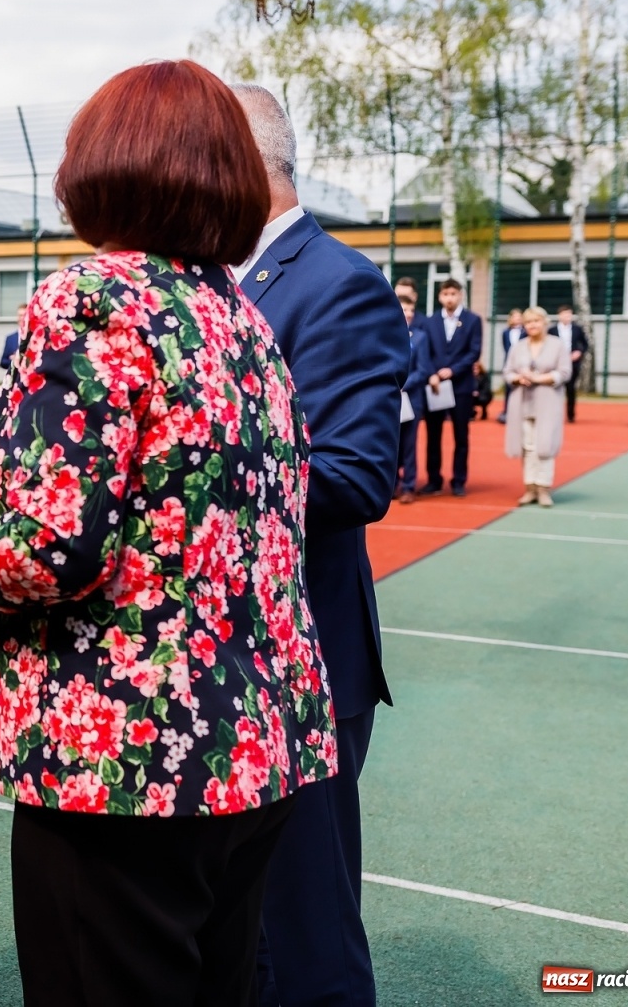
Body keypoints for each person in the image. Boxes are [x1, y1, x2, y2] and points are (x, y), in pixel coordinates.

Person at [0, 65, 336, 1006]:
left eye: (76, 149)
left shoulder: (92, 300)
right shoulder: (239, 319)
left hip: (120, 758)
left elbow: (53, 549)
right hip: (257, 740)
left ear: (110, 167)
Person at [231, 83, 407, 1007]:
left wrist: (182, 486)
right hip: (229, 669)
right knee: (246, 933)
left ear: (243, 162)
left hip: (302, 665)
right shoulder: (221, 282)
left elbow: (353, 477)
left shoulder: (336, 282)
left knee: (307, 939)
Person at [418, 278, 482, 497]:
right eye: (445, 294)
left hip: (461, 386)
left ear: (460, 295)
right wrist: (432, 374)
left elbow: (474, 352)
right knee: (433, 435)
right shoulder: (430, 321)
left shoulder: (473, 320)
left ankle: (459, 480)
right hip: (435, 386)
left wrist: (452, 370)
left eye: (453, 294)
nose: (449, 298)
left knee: (461, 436)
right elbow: (423, 353)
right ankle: (434, 479)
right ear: (439, 297)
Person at [503, 307, 571, 508]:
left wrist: (540, 378)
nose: (532, 325)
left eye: (536, 321)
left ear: (545, 322)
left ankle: (544, 488)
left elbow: (565, 373)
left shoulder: (558, 345)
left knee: (544, 445)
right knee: (527, 447)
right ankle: (530, 487)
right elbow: (507, 372)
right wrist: (518, 378)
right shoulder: (518, 347)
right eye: (528, 322)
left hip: (547, 402)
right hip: (522, 403)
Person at [395, 285, 433, 505]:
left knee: (409, 445)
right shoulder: (387, 334)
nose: (408, 313)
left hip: (412, 398)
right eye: (403, 309)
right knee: (393, 444)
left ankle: (409, 486)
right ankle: (392, 485)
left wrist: (403, 385)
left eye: (410, 309)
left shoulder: (420, 337)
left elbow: (424, 370)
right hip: (392, 399)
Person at [552, 306, 589, 423]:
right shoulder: (551, 330)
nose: (567, 317)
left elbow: (585, 344)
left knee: (571, 389)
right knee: (555, 388)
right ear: (559, 315)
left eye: (569, 314)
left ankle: (570, 414)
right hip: (555, 364)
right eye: (564, 314)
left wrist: (579, 352)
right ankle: (554, 413)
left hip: (572, 363)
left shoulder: (577, 329)